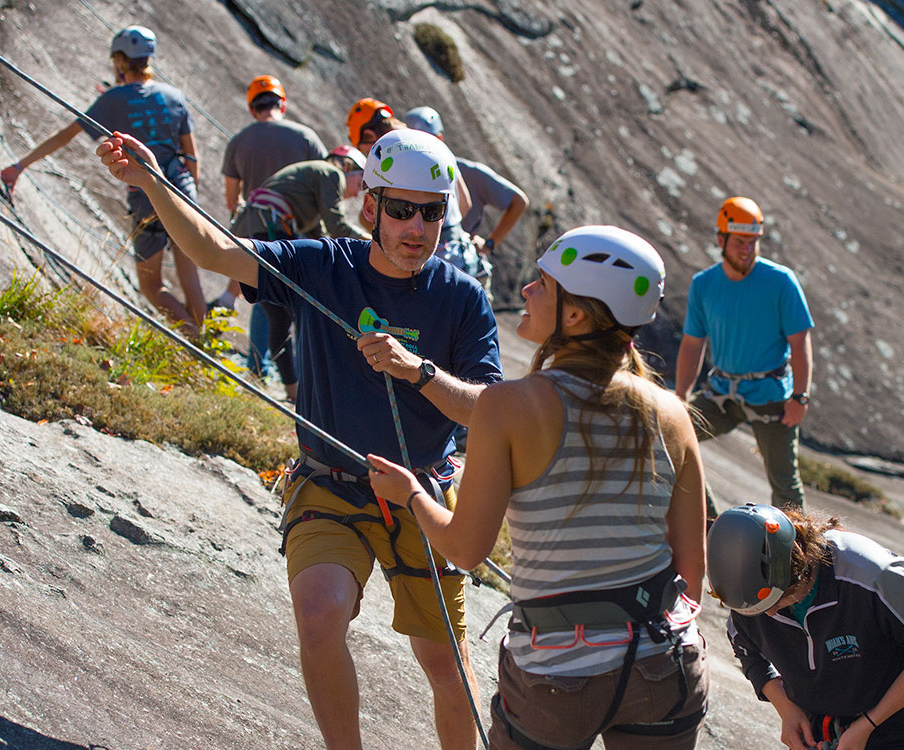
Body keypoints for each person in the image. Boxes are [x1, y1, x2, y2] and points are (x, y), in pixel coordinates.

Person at [95, 127, 502, 749]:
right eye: (400, 209)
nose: (416, 227)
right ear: (371, 205)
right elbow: (215, 251)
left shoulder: (463, 301)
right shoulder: (322, 264)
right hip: (328, 485)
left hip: (420, 493)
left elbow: (483, 411)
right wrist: (152, 181)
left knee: (443, 664)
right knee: (318, 619)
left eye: (431, 212)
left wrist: (416, 370)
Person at [368, 225, 710, 748]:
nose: (526, 291)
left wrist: (412, 494)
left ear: (574, 315)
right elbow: (691, 574)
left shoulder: (507, 406)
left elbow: (465, 547)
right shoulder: (671, 414)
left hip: (556, 673)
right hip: (666, 663)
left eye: (542, 285)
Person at [0, 26, 204, 334]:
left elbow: (66, 135)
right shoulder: (174, 96)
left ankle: (193, 339)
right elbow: (192, 156)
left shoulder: (113, 100)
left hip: (147, 197)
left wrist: (20, 165)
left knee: (151, 285)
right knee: (190, 273)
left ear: (120, 61)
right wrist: (192, 195)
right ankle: (207, 350)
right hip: (183, 189)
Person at [709, 503, 904, 750]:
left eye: (778, 601)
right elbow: (747, 651)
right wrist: (787, 709)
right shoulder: (749, 594)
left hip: (901, 728)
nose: (770, 614)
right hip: (821, 732)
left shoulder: (870, 574)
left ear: (797, 571)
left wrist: (867, 726)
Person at [675, 197, 813, 510]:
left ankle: (796, 554)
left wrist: (800, 397)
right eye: (739, 241)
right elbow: (693, 345)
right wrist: (681, 396)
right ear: (720, 239)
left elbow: (800, 342)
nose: (747, 249)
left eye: (753, 242)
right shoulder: (704, 284)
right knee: (672, 439)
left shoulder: (780, 281)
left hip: (771, 397)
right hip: (722, 394)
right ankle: (709, 523)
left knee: (784, 484)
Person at [229, 145, 371, 401]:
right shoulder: (331, 173)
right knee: (286, 313)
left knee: (279, 314)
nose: (356, 194)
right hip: (268, 227)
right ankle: (296, 389)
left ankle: (292, 389)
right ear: (347, 166)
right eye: (360, 183)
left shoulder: (309, 187)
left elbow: (321, 242)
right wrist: (372, 243)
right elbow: (337, 227)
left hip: (254, 228)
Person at [212, 74, 328, 311]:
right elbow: (326, 183)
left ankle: (227, 305)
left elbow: (232, 200)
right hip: (299, 234)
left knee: (265, 299)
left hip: (257, 231)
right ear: (282, 105)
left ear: (253, 109)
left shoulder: (238, 142)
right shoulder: (306, 137)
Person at [346, 99, 478, 281]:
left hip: (429, 257)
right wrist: (434, 217)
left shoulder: (391, 155)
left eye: (364, 151)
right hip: (457, 249)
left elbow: (368, 216)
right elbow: (466, 203)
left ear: (369, 135)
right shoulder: (436, 146)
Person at [406, 106, 528, 282]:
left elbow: (518, 201)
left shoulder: (470, 172)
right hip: (449, 261)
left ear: (440, 139)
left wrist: (490, 244)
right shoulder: (411, 178)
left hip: (460, 263)